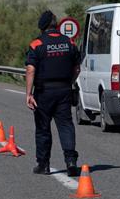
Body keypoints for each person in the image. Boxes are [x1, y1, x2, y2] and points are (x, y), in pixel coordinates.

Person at [25, 10, 80, 176]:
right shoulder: (70, 42)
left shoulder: (37, 44)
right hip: (64, 90)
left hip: (44, 92)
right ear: (56, 25)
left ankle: (44, 165)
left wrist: (29, 93)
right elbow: (77, 68)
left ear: (42, 26)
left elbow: (30, 69)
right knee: (66, 126)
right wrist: (69, 83)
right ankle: (71, 162)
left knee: (43, 129)